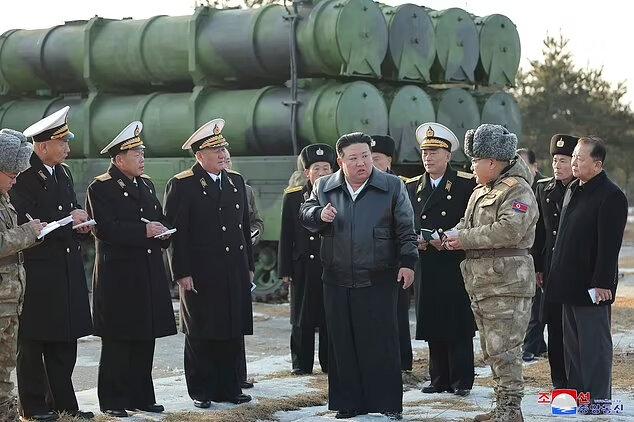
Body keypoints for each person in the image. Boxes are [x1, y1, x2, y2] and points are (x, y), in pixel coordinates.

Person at [300, 132, 417, 420]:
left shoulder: (391, 185)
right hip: (336, 277)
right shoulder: (324, 185)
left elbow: (406, 228)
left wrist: (408, 262)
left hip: (379, 276)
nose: (361, 163)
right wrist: (318, 215)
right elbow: (305, 212)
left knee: (381, 342)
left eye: (365, 156)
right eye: (353, 158)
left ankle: (388, 403)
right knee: (342, 342)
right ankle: (348, 402)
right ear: (340, 161)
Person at [443, 124, 538, 422]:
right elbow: (467, 224)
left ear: (493, 163)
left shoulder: (518, 190)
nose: (471, 167)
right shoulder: (481, 191)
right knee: (492, 349)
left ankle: (510, 411)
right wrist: (449, 236)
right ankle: (503, 406)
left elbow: (510, 230)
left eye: (475, 161)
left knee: (506, 350)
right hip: (484, 283)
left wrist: (464, 238)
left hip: (507, 284)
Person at [85, 122, 178, 417]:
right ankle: (113, 400)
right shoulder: (100, 187)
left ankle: (141, 396)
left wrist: (163, 231)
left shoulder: (146, 184)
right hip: (119, 277)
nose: (141, 158)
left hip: (147, 273)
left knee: (144, 337)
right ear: (118, 159)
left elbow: (157, 216)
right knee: (118, 340)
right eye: (135, 153)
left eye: (142, 153)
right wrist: (143, 232)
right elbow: (104, 229)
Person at [164, 118, 254, 408]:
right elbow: (176, 233)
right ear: (200, 155)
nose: (223, 155)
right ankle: (201, 391)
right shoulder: (183, 184)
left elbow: (243, 229)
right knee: (202, 331)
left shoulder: (235, 181)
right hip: (201, 271)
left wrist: (249, 267)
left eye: (224, 149)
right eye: (216, 151)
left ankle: (230, 387)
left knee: (231, 328)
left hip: (233, 268)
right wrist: (181, 272)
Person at [11, 107, 94, 421]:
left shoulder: (63, 172)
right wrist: (66, 219)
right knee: (33, 342)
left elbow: (68, 207)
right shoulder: (24, 176)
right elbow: (28, 223)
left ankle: (64, 404)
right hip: (39, 269)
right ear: (43, 146)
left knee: (64, 340)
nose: (68, 147)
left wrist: (79, 220)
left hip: (65, 268)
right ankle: (33, 407)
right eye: (62, 142)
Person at [547, 136, 627, 402]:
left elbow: (609, 246)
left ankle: (598, 401)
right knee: (573, 350)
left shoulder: (611, 195)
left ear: (598, 164)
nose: (574, 162)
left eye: (580, 158)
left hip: (592, 287)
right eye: (574, 157)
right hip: (567, 283)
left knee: (594, 348)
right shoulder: (573, 189)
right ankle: (579, 398)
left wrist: (602, 282)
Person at [406, 123, 476, 396]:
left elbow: (471, 220)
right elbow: (406, 221)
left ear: (448, 155)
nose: (428, 157)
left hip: (454, 262)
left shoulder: (465, 184)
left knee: (457, 321)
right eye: (425, 152)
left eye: (434, 152)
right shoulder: (412, 186)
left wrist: (446, 237)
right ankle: (439, 379)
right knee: (432, 319)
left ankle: (461, 379)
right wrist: (416, 239)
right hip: (426, 262)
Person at [279, 144, 335, 376]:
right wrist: (285, 269)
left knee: (329, 317)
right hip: (303, 265)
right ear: (306, 172)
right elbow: (286, 234)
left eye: (326, 168)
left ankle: (330, 362)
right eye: (316, 168)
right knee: (301, 317)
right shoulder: (294, 196)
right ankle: (301, 364)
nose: (322, 173)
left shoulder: (338, 194)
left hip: (331, 264)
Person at [0, 129, 44, 422]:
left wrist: (34, 233)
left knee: (5, 369)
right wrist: (28, 232)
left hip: (9, 301)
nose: (15, 181)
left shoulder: (4, 198)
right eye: (12, 174)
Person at [532, 134, 578, 388]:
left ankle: (577, 380)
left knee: (574, 328)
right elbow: (539, 232)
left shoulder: (582, 189)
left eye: (564, 160)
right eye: (555, 160)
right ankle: (559, 381)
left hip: (575, 269)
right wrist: (538, 267)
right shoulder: (543, 188)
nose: (557, 166)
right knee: (554, 326)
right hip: (551, 269)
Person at [371, 134, 413, 372]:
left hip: (396, 260)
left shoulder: (401, 185)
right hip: (371, 262)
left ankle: (402, 363)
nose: (372, 164)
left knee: (397, 314)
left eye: (376, 158)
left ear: (389, 160)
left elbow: (408, 225)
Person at [226, 151, 263, 389]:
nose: (226, 163)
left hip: (239, 263)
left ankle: (239, 376)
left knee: (238, 323)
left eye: (228, 160)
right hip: (218, 265)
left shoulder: (244, 189)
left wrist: (252, 235)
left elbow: (256, 221)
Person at [517, 147, 547, 362]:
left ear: (535, 167)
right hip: (523, 252)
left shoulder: (544, 187)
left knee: (535, 304)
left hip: (539, 252)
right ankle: (538, 344)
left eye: (524, 164)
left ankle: (530, 345)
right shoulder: (517, 186)